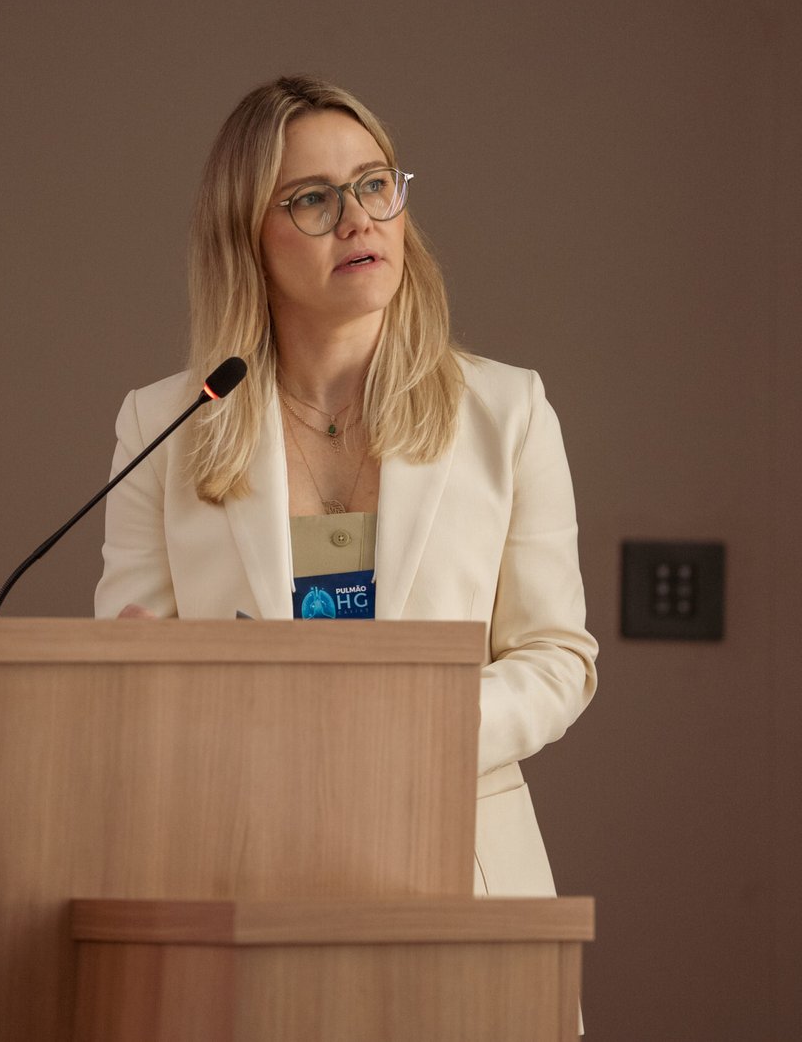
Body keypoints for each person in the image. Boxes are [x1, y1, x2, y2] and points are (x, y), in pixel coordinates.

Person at [94, 75, 598, 899]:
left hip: (461, 865)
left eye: (373, 184)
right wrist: (147, 677)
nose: (358, 218)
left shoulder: (509, 411)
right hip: (239, 867)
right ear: (245, 236)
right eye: (313, 199)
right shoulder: (164, 425)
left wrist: (403, 733)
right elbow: (132, 667)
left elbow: (557, 658)